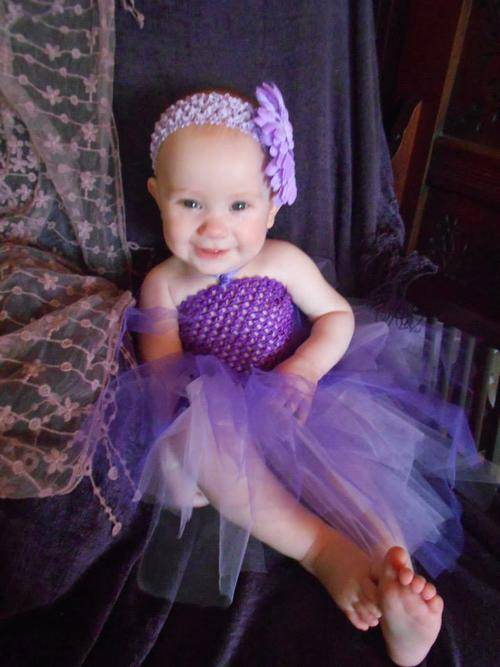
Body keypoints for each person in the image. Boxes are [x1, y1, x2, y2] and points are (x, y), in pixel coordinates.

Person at [122, 82, 485, 666]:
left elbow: (337, 316)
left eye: (239, 206)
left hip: (301, 396)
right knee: (198, 451)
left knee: (358, 472)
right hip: (218, 416)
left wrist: (306, 369)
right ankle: (321, 551)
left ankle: (394, 579)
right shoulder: (162, 283)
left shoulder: (282, 261)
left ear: (272, 204)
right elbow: (163, 374)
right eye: (190, 204)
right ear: (156, 195)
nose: (214, 228)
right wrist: (175, 448)